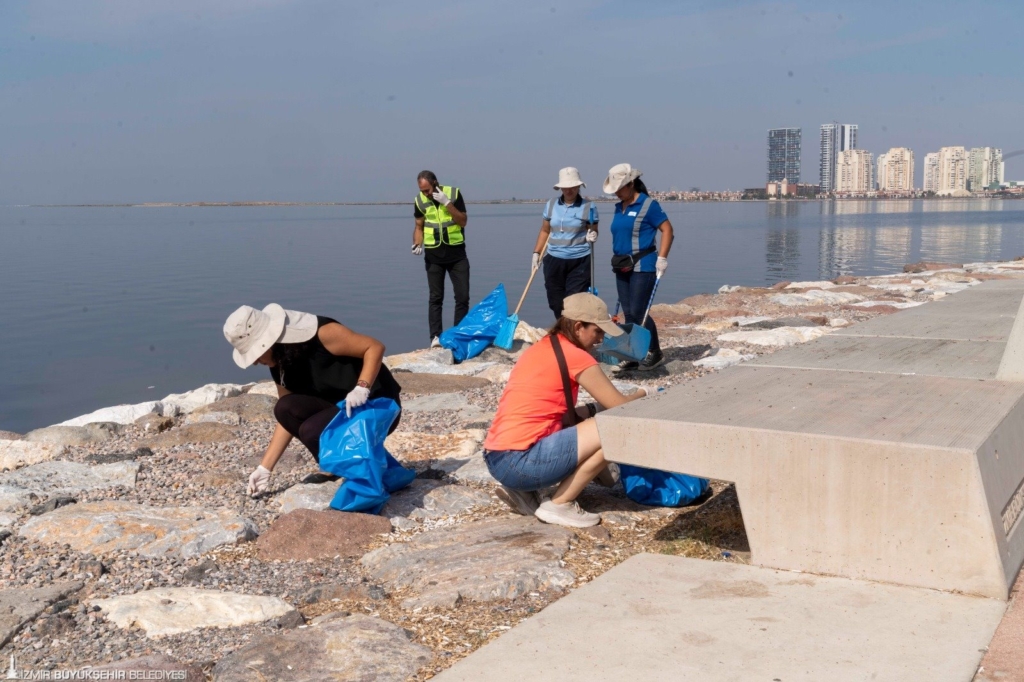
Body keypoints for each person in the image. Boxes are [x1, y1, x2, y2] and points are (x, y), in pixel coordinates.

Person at [482, 293, 661, 528]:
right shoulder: (576, 356)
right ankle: (560, 504)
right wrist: (645, 394)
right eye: (597, 331)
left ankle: (526, 491)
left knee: (598, 436)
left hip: (497, 458)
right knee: (615, 426)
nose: (601, 339)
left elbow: (559, 411)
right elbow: (619, 407)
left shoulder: (543, 348)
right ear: (578, 327)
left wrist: (592, 409)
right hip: (520, 462)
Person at [223, 304, 402, 496]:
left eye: (256, 354)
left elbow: (374, 347)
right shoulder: (280, 360)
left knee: (312, 431)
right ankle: (345, 466)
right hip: (339, 409)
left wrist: (362, 388)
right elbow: (286, 420)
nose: (255, 362)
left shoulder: (323, 334)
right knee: (284, 408)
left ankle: (363, 476)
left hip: (376, 404)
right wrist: (265, 468)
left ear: (269, 342)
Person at [604, 163, 674, 371]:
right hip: (622, 265)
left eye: (619, 188)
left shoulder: (648, 205)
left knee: (638, 310)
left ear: (631, 184)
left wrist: (662, 257)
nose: (616, 193)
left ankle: (655, 352)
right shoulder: (620, 207)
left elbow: (667, 229)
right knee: (628, 313)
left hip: (644, 264)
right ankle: (633, 355)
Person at [530, 167, 600, 319]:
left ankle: (571, 334)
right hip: (554, 259)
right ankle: (562, 329)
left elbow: (594, 231)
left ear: (578, 187)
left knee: (574, 303)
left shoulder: (588, 206)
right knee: (555, 302)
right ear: (560, 187)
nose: (569, 191)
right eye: (566, 187)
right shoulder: (551, 205)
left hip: (579, 260)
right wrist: (536, 253)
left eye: (573, 187)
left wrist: (592, 234)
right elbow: (545, 231)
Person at [411, 170, 469, 347]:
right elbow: (419, 226)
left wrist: (447, 203)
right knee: (435, 298)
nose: (425, 194)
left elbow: (463, 221)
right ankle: (435, 337)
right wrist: (417, 243)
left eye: (427, 190)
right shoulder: (419, 201)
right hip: (433, 256)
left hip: (457, 255)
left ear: (435, 183)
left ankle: (458, 335)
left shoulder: (453, 193)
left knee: (462, 296)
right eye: (422, 191)